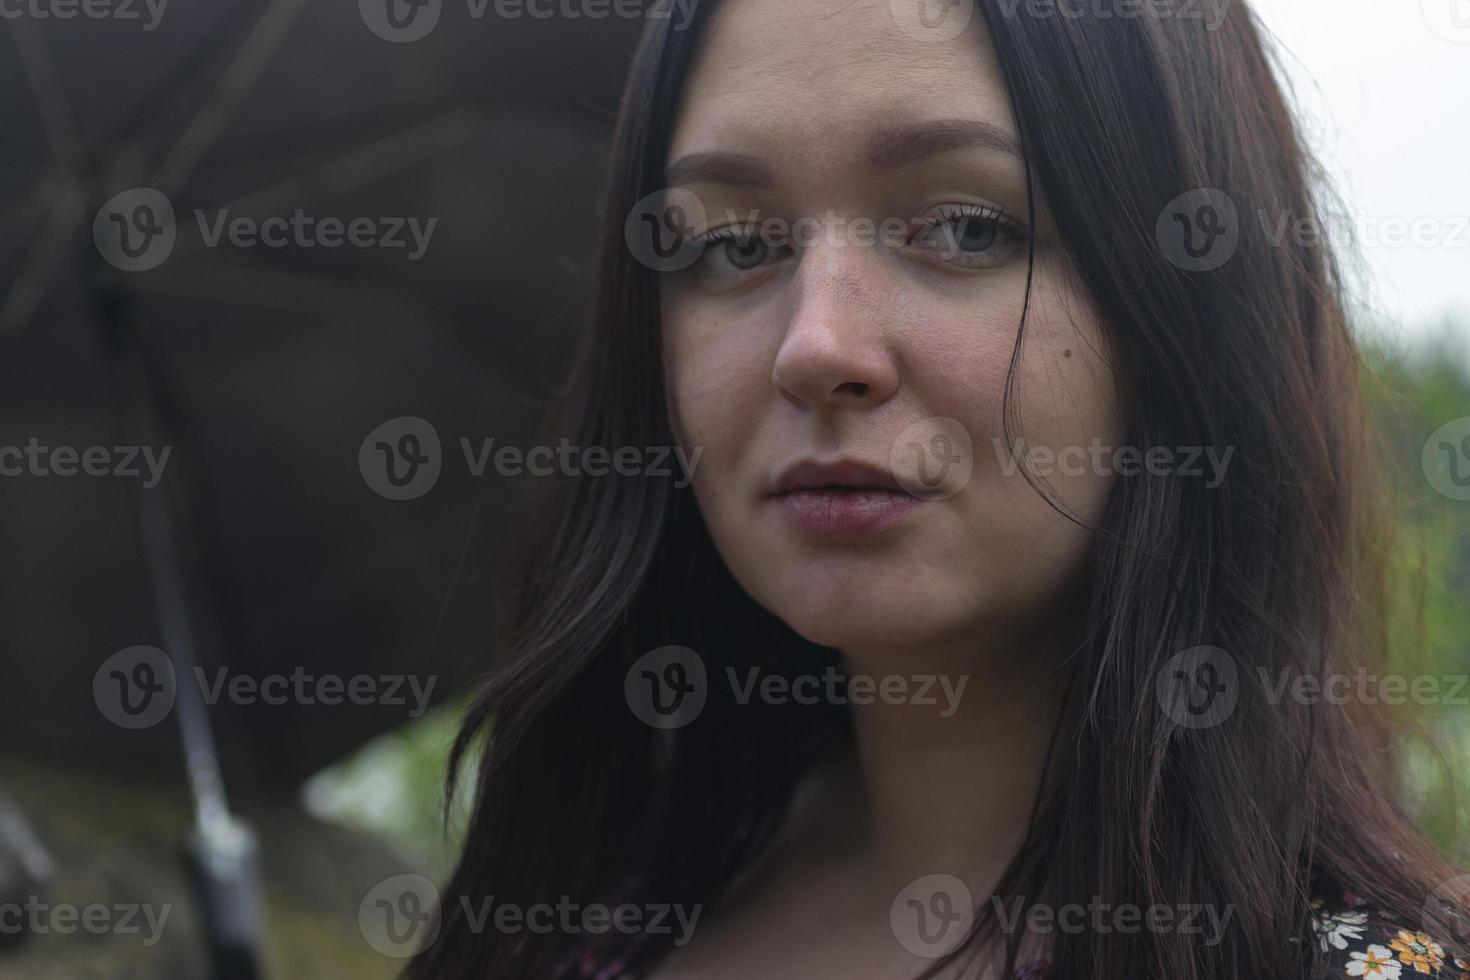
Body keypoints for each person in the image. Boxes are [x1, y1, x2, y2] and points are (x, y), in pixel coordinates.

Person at [406, 0, 1470, 976]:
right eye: (733, 243)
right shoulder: (558, 931)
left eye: (965, 226)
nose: (816, 345)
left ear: (1186, 313)